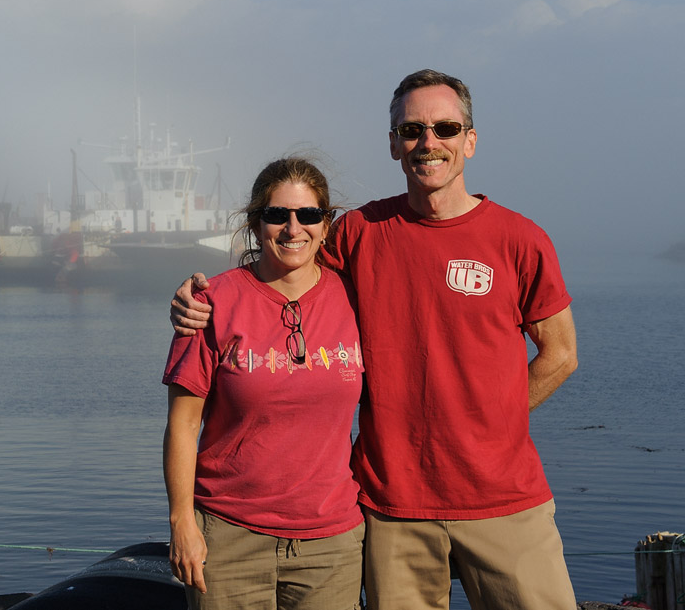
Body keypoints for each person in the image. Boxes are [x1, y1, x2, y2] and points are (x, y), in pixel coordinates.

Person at [171, 70, 579, 610]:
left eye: (445, 128)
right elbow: (287, 255)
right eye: (411, 130)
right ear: (393, 143)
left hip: (505, 499)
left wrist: (493, 423)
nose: (428, 143)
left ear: (470, 140)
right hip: (392, 507)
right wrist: (199, 294)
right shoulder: (361, 233)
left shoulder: (520, 240)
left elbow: (561, 354)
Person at [162, 157, 367, 610]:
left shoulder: (356, 298)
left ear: (326, 224)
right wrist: (182, 523)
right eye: (277, 215)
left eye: (309, 215)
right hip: (229, 536)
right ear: (256, 224)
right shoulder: (210, 302)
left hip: (330, 543)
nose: (294, 229)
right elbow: (182, 425)